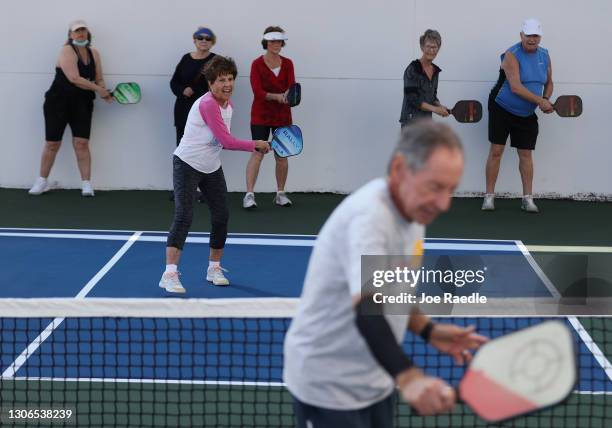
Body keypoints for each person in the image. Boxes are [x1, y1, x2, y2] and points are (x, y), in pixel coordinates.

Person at [284, 122, 487, 427]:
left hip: (377, 378)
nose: (444, 204)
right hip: (328, 387)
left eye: (451, 190)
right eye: (435, 187)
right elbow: (368, 307)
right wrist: (411, 377)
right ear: (399, 168)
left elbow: (392, 288)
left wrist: (428, 330)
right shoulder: (370, 219)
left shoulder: (414, 211)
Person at [159, 56, 270, 292]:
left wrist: (256, 145)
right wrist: (255, 144)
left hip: (211, 167)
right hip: (186, 164)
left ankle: (214, 268)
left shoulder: (227, 106)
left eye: (230, 79)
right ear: (211, 83)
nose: (227, 84)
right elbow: (227, 142)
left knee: (221, 216)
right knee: (184, 217)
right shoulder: (208, 104)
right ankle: (169, 274)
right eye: (221, 80)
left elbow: (218, 143)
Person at [29, 20, 112, 197]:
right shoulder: (66, 50)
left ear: (88, 33)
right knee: (52, 143)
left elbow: (99, 78)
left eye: (83, 30)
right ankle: (42, 181)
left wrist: (104, 91)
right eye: (77, 31)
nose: (80, 33)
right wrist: (99, 90)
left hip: (82, 103)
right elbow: (74, 78)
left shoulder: (94, 53)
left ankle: (86, 185)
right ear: (70, 35)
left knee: (81, 143)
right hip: (57, 102)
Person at [482, 18, 554, 213]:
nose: (532, 39)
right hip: (501, 107)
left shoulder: (545, 55)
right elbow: (515, 87)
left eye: (536, 36)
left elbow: (549, 82)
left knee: (526, 154)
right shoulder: (510, 54)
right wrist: (540, 101)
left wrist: (546, 97)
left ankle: (527, 199)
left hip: (527, 112)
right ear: (521, 35)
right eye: (528, 35)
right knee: (496, 150)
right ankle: (489, 197)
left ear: (540, 37)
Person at [243, 26, 296, 209]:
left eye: (279, 41)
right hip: (260, 115)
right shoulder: (256, 64)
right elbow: (258, 92)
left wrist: (288, 96)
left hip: (283, 115)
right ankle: (249, 195)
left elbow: (291, 87)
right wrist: (277, 97)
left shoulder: (288, 63)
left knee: (282, 155)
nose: (276, 44)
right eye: (272, 41)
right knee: (258, 153)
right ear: (266, 42)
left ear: (282, 43)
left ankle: (280, 193)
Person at [170, 27, 217, 147]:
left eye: (208, 38)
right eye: (200, 38)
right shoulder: (186, 58)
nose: (204, 40)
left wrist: (195, 90)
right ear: (194, 40)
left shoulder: (216, 60)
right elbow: (174, 82)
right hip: (183, 111)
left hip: (205, 111)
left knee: (203, 149)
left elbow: (220, 86)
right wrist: (182, 90)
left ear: (212, 42)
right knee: (182, 148)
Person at [399, 30, 449, 128]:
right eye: (428, 46)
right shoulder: (413, 69)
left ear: (438, 49)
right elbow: (412, 98)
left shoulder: (435, 71)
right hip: (410, 122)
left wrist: (440, 106)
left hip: (426, 123)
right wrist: (435, 110)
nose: (431, 50)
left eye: (434, 47)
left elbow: (432, 97)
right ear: (422, 47)